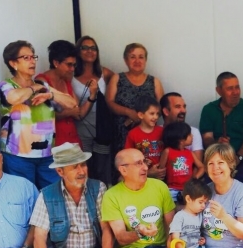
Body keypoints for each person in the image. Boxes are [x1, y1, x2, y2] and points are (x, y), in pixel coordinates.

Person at [0, 40, 77, 189]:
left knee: (52, 196)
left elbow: (72, 103)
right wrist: (35, 88)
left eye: (33, 57)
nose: (32, 61)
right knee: (24, 199)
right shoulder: (6, 85)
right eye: (26, 58)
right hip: (18, 156)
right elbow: (14, 98)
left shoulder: (44, 87)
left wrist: (50, 95)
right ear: (13, 63)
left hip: (47, 155)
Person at [199, 72, 243, 185]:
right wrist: (216, 143)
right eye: (230, 88)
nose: (235, 92)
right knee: (209, 187)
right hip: (216, 159)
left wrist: (237, 158)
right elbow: (207, 138)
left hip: (242, 159)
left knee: (240, 185)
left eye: (237, 87)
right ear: (219, 90)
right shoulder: (209, 109)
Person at [106, 43, 164, 154]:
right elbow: (109, 102)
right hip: (122, 133)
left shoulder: (154, 81)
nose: (137, 61)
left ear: (146, 60)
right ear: (125, 60)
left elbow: (162, 106)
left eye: (141, 57)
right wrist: (129, 112)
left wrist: (144, 117)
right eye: (132, 57)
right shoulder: (117, 78)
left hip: (148, 135)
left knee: (148, 164)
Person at [72, 35, 115, 185]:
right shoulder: (71, 75)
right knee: (84, 165)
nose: (90, 51)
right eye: (85, 48)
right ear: (78, 51)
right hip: (81, 127)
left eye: (93, 48)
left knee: (102, 166)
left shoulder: (105, 73)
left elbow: (120, 86)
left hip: (102, 128)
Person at [36, 40, 84, 148]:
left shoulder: (66, 80)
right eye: (69, 65)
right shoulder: (41, 82)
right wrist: (68, 113)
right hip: (53, 140)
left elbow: (77, 111)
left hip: (72, 138)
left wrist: (91, 97)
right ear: (56, 63)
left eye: (74, 65)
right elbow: (43, 117)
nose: (72, 69)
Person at [159, 122, 205, 203]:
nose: (192, 136)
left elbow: (202, 167)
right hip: (171, 189)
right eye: (190, 134)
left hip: (188, 189)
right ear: (181, 140)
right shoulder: (167, 151)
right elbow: (161, 170)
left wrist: (195, 177)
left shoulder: (190, 153)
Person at [160, 92, 204, 165]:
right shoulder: (157, 131)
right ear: (166, 111)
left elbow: (197, 165)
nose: (183, 110)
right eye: (178, 107)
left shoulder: (193, 132)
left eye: (184, 106)